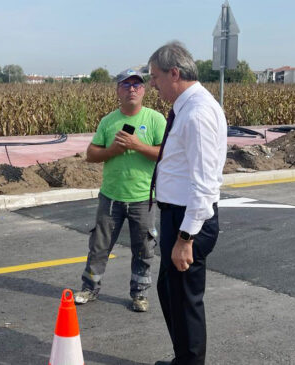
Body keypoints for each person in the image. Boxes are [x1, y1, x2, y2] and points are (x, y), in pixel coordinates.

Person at [148, 42, 227, 365]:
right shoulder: (187, 108)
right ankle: (185, 359)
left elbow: (205, 183)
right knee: (171, 293)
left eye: (155, 77)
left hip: (187, 222)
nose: (152, 84)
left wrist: (185, 238)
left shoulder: (197, 113)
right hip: (177, 217)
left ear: (174, 73)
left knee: (184, 299)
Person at [73, 67, 166, 312]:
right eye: (126, 85)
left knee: (144, 248)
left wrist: (137, 145)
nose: (132, 89)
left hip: (143, 198)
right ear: (118, 90)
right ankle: (89, 288)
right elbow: (91, 154)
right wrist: (112, 151)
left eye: (137, 85)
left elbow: (165, 154)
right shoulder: (109, 121)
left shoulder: (155, 120)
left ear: (144, 90)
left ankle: (139, 294)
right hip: (111, 197)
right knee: (99, 246)